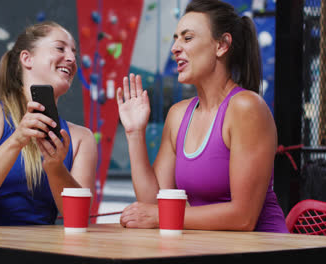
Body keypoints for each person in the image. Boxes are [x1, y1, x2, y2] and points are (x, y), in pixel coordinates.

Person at [117, 0, 288, 232]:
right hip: (209, 247)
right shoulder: (178, 115)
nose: (175, 47)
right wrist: (134, 133)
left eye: (187, 38)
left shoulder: (246, 108)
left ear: (222, 45)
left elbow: (243, 217)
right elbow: (154, 205)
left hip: (262, 249)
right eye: (176, 38)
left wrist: (160, 216)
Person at [0, 21, 97, 226]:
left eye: (74, 52)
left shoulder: (81, 138)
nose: (71, 58)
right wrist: (17, 140)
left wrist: (56, 168)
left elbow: (80, 219)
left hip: (43, 252)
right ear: (27, 58)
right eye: (60, 48)